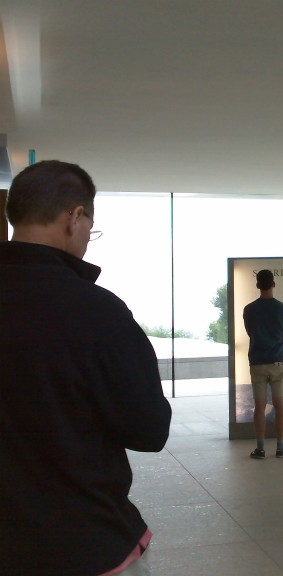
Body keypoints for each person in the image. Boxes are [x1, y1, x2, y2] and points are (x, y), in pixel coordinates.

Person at [0, 160, 172, 575]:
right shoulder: (98, 311)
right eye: (90, 229)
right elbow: (148, 430)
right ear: (74, 217)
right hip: (83, 539)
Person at [243, 269, 283, 459]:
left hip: (257, 361)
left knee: (259, 405)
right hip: (278, 360)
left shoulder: (249, 309)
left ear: (257, 285)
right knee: (280, 405)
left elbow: (250, 332)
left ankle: (260, 448)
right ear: (273, 284)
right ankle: (280, 447)